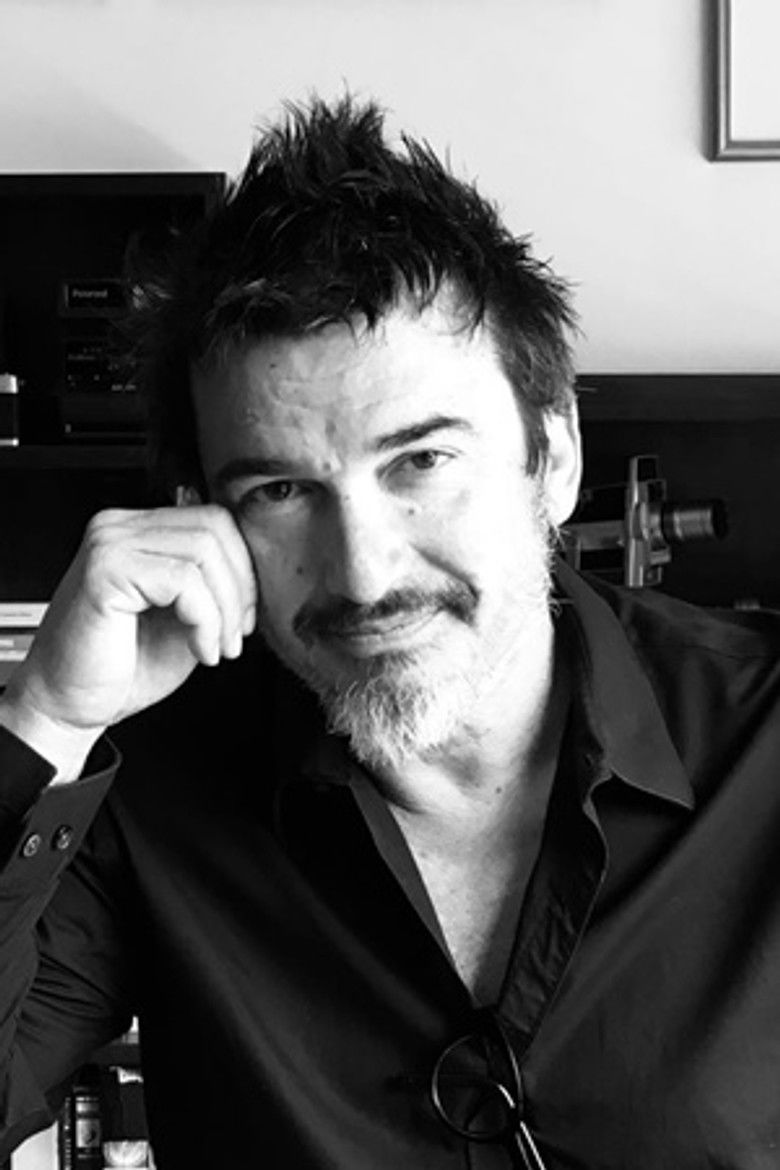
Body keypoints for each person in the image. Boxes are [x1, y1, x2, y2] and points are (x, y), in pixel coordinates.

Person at [1, 95, 780, 1170]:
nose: (363, 572)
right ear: (204, 516)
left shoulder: (766, 737)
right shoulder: (148, 781)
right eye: (280, 491)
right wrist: (45, 719)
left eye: (421, 461)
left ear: (552, 458)